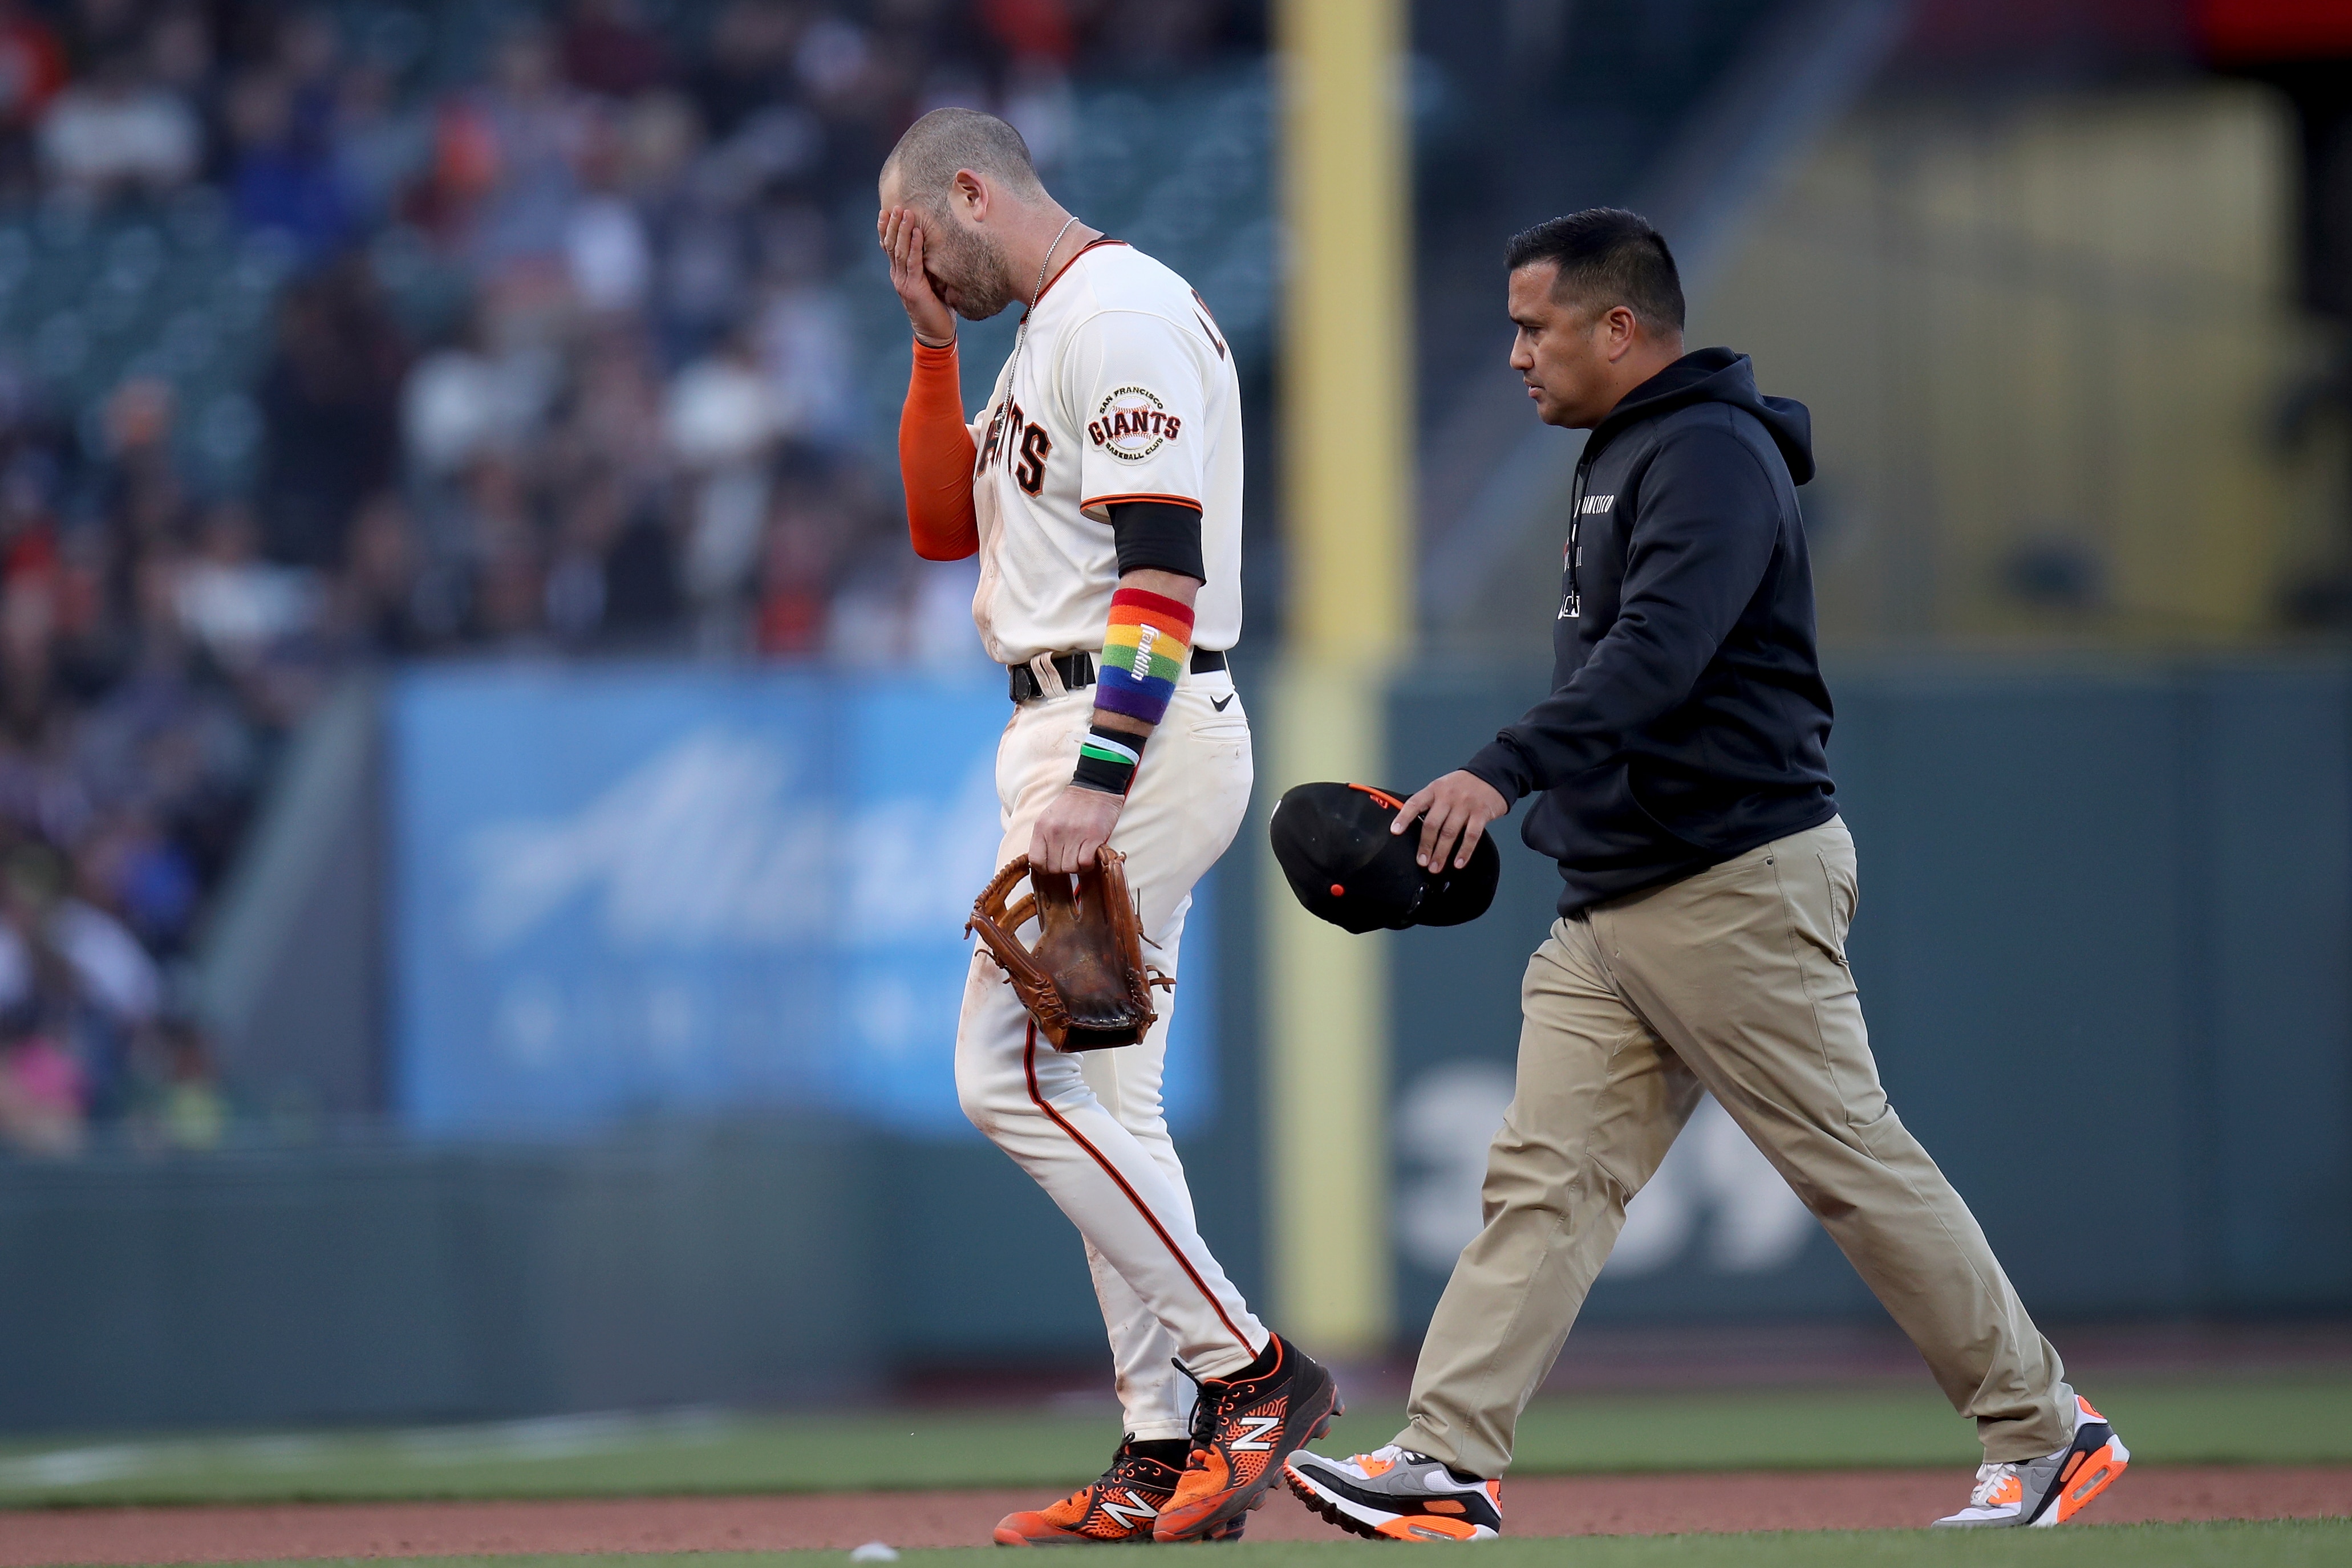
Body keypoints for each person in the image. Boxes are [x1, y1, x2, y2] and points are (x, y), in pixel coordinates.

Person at [1282, 209, 2130, 1541]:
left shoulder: (1712, 455)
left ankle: (2045, 1427)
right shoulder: (1627, 449)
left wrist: (1502, 768)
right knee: (1543, 1183)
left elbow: (1660, 655)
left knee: (1848, 1159)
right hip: (1614, 896)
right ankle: (1447, 1457)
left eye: (1533, 324)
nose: (1514, 352)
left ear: (1619, 328)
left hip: (1729, 875)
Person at [875, 108, 1339, 1546]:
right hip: (1077, 728)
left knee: (1003, 1078)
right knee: (1110, 1109)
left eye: (920, 240)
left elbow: (1163, 572)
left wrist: (1099, 773)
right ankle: (1160, 1451)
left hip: (1119, 732)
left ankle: (1250, 1375)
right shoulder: (1042, 333)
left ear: (971, 191)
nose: (921, 266)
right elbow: (941, 528)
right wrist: (933, 346)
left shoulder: (1119, 311)